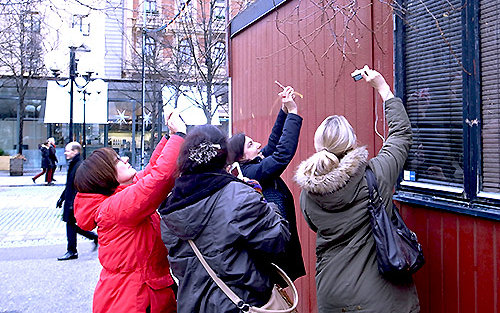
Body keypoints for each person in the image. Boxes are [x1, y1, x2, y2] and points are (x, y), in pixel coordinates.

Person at [294, 66, 420, 313]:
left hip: (333, 296)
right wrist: (383, 88)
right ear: (351, 142)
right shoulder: (377, 175)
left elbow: (314, 225)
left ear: (318, 145)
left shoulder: (308, 193)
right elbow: (400, 136)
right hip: (381, 296)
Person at [160, 125, 290, 313]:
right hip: (244, 303)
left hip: (195, 306)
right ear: (224, 156)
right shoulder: (239, 195)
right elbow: (278, 240)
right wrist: (266, 202)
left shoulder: (168, 209)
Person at [73, 111, 186, 313]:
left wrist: (170, 137)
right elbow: (159, 180)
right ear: (105, 176)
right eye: (117, 160)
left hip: (137, 295)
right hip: (132, 301)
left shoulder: (119, 196)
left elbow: (152, 170)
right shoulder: (114, 207)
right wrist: (180, 137)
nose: (124, 159)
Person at [227, 85, 306, 282]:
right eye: (250, 145)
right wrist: (294, 114)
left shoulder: (252, 165)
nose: (257, 145)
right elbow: (281, 156)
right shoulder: (251, 173)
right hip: (274, 250)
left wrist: (284, 110)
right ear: (240, 157)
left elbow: (273, 143)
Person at [56, 142, 98, 261]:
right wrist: (62, 198)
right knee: (73, 224)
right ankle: (93, 237)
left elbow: (78, 186)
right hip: (70, 200)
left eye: (68, 151)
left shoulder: (79, 166)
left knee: (71, 224)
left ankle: (72, 251)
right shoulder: (74, 164)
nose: (65, 153)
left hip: (74, 202)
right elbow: (69, 184)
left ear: (75, 152)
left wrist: (72, 203)